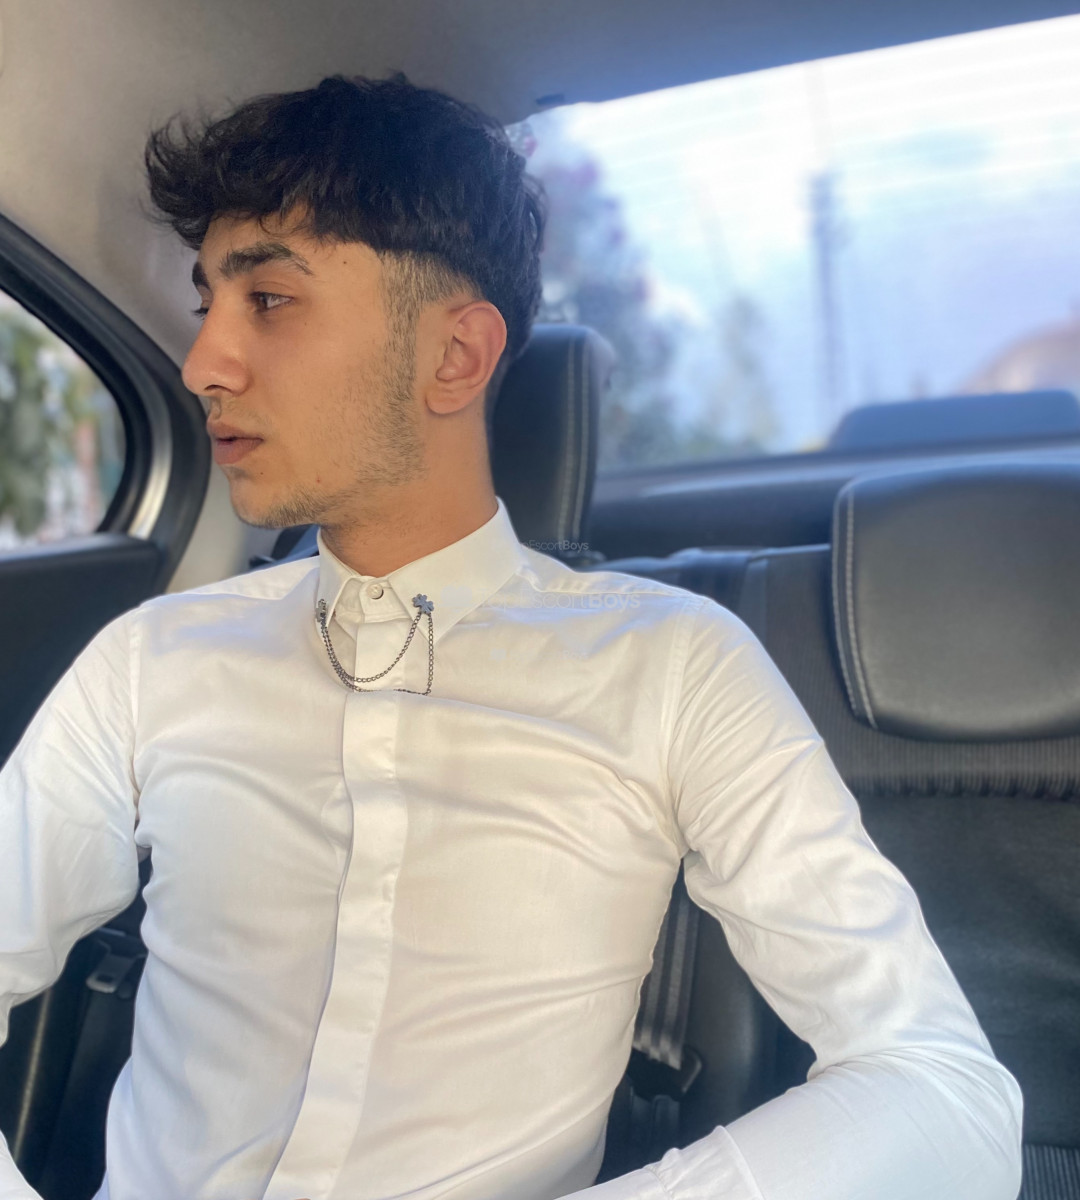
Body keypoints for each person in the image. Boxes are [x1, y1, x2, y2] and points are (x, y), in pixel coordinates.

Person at [0, 75, 1021, 1200]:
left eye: (270, 300)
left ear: (455, 357)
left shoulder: (675, 665)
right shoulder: (149, 658)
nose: (204, 363)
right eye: (207, 306)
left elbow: (943, 1093)